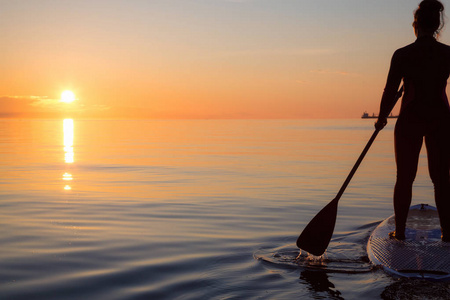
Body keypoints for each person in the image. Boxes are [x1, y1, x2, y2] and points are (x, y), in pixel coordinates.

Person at [374, 0, 450, 241]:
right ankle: (448, 234)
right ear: (438, 25)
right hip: (441, 119)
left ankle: (401, 233)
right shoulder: (447, 53)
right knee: (442, 180)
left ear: (415, 25)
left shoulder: (402, 54)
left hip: (411, 119)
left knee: (404, 178)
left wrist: (382, 118)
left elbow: (389, 92)